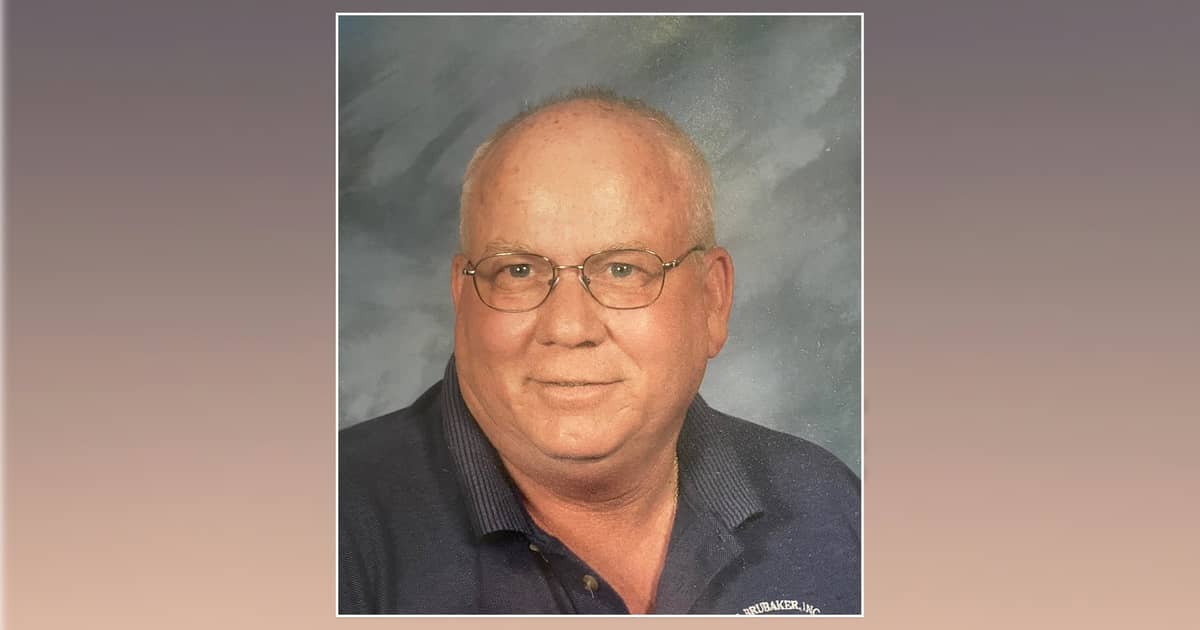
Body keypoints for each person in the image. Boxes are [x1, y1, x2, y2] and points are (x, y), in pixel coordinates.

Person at [339, 88, 860, 615]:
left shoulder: (827, 508)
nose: (568, 327)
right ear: (462, 299)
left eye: (623, 269)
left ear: (712, 300)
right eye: (518, 271)